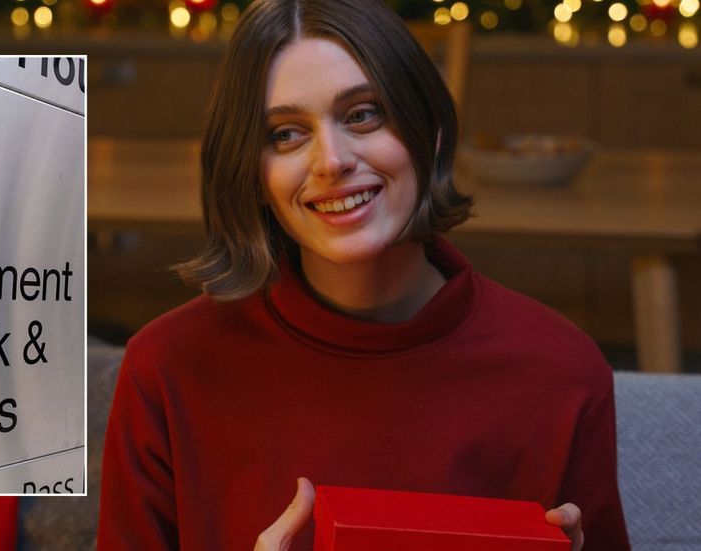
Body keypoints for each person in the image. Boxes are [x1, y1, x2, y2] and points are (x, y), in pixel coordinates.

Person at [97, 0, 630, 549]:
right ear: (253, 174)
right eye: (285, 133)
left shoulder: (563, 373)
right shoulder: (166, 369)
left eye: (362, 114)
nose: (331, 160)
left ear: (431, 131)